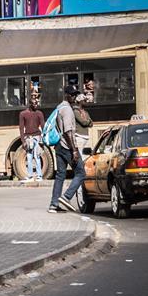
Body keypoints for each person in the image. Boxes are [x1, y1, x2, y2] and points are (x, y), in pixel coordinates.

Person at [49, 85, 87, 213]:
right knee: (81, 173)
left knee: (60, 174)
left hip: (59, 145)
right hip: (67, 146)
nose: (74, 96)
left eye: (75, 94)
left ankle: (54, 204)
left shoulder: (59, 107)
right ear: (66, 95)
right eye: (72, 94)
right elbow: (68, 131)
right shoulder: (67, 110)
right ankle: (66, 197)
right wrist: (74, 150)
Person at [19, 97, 45, 181]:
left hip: (37, 137)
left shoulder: (39, 113)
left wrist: (43, 139)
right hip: (28, 138)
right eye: (34, 103)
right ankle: (30, 176)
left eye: (37, 103)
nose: (36, 105)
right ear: (30, 104)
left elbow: (43, 126)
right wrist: (23, 141)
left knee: (37, 156)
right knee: (29, 157)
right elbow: (21, 128)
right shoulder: (23, 114)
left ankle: (39, 176)